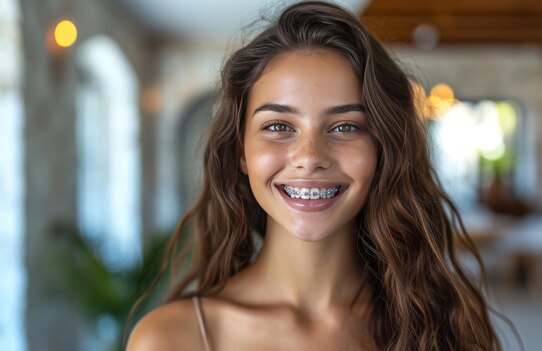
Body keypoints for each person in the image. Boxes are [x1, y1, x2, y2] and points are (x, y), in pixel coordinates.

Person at [126, 1, 503, 350]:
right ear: (241, 151)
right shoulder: (170, 339)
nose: (309, 158)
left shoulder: (444, 323)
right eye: (278, 126)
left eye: (344, 127)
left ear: (383, 150)